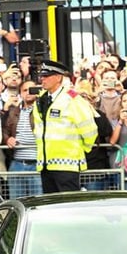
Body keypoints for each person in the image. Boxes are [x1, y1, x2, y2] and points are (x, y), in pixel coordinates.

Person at [31, 60, 98, 193]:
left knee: (69, 207)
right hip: (45, 164)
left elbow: (89, 129)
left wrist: (83, 148)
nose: (42, 79)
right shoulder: (40, 99)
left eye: (46, 76)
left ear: (58, 77)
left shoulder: (72, 99)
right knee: (50, 206)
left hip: (67, 164)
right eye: (41, 76)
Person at [3, 80, 43, 198]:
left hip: (37, 164)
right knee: (16, 202)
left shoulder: (42, 110)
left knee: (37, 203)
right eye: (25, 90)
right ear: (20, 93)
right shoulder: (13, 111)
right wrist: (7, 139)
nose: (28, 93)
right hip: (17, 164)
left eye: (32, 90)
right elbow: (4, 130)